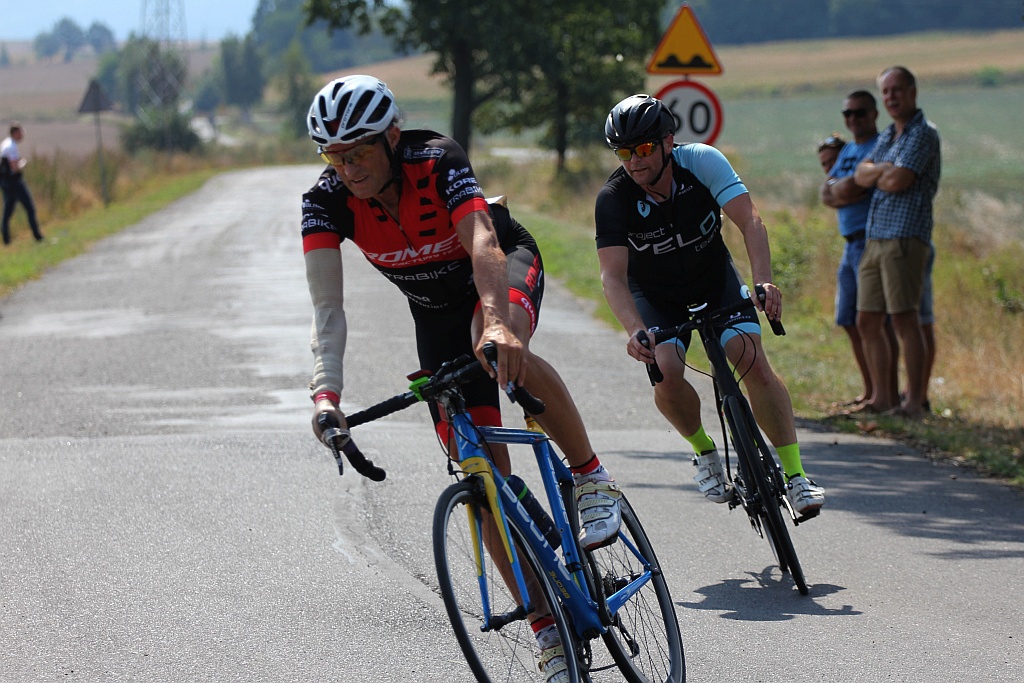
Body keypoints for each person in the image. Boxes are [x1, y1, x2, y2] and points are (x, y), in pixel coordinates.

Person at [300, 75, 620, 682]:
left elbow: (480, 241)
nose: (349, 168)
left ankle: (589, 476)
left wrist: (499, 322)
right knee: (483, 485)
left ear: (392, 137)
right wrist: (326, 393)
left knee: (494, 347)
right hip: (434, 316)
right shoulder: (325, 202)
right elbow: (327, 310)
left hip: (498, 270)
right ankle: (546, 626)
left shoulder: (436, 158)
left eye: (360, 151)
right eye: (335, 157)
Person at [594, 94, 824, 517]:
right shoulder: (614, 198)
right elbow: (611, 275)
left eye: (643, 149)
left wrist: (763, 280)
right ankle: (703, 450)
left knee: (749, 357)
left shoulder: (701, 162)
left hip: (712, 277)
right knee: (666, 368)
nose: (634, 162)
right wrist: (633, 330)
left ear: (668, 141)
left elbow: (750, 220)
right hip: (655, 295)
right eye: (623, 152)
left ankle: (795, 476)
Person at [854, 67, 941, 419]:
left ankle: (914, 403)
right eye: (886, 92)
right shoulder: (891, 133)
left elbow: (898, 180)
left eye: (897, 90)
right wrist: (880, 170)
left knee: (906, 320)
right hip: (876, 237)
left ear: (913, 91)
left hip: (905, 237)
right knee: (867, 320)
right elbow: (862, 174)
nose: (891, 98)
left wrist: (880, 171)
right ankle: (882, 399)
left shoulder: (923, 133)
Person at [1, 123, 44, 245]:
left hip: (5, 183)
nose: (22, 135)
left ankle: (6, 240)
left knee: (7, 211)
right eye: (20, 132)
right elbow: (14, 167)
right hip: (14, 182)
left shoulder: (5, 144)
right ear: (15, 133)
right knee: (29, 207)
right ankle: (37, 236)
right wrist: (22, 164)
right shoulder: (11, 146)